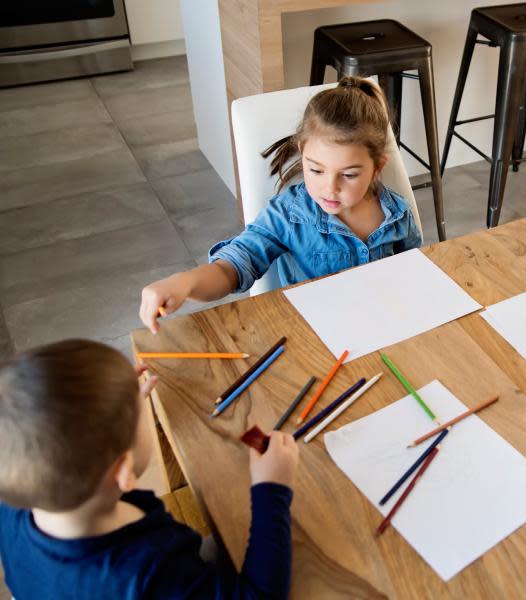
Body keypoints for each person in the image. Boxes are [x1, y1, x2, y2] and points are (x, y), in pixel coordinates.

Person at [0, 340, 299, 598]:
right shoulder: (153, 572)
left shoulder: (17, 502)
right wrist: (271, 490)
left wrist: (115, 407)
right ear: (124, 469)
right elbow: (259, 595)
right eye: (139, 414)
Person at [139, 76, 423, 333]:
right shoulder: (288, 215)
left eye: (349, 175)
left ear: (377, 167)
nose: (330, 187)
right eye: (316, 170)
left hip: (383, 328)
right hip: (313, 338)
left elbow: (413, 274)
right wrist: (184, 282)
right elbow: (233, 266)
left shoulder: (397, 214)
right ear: (303, 153)